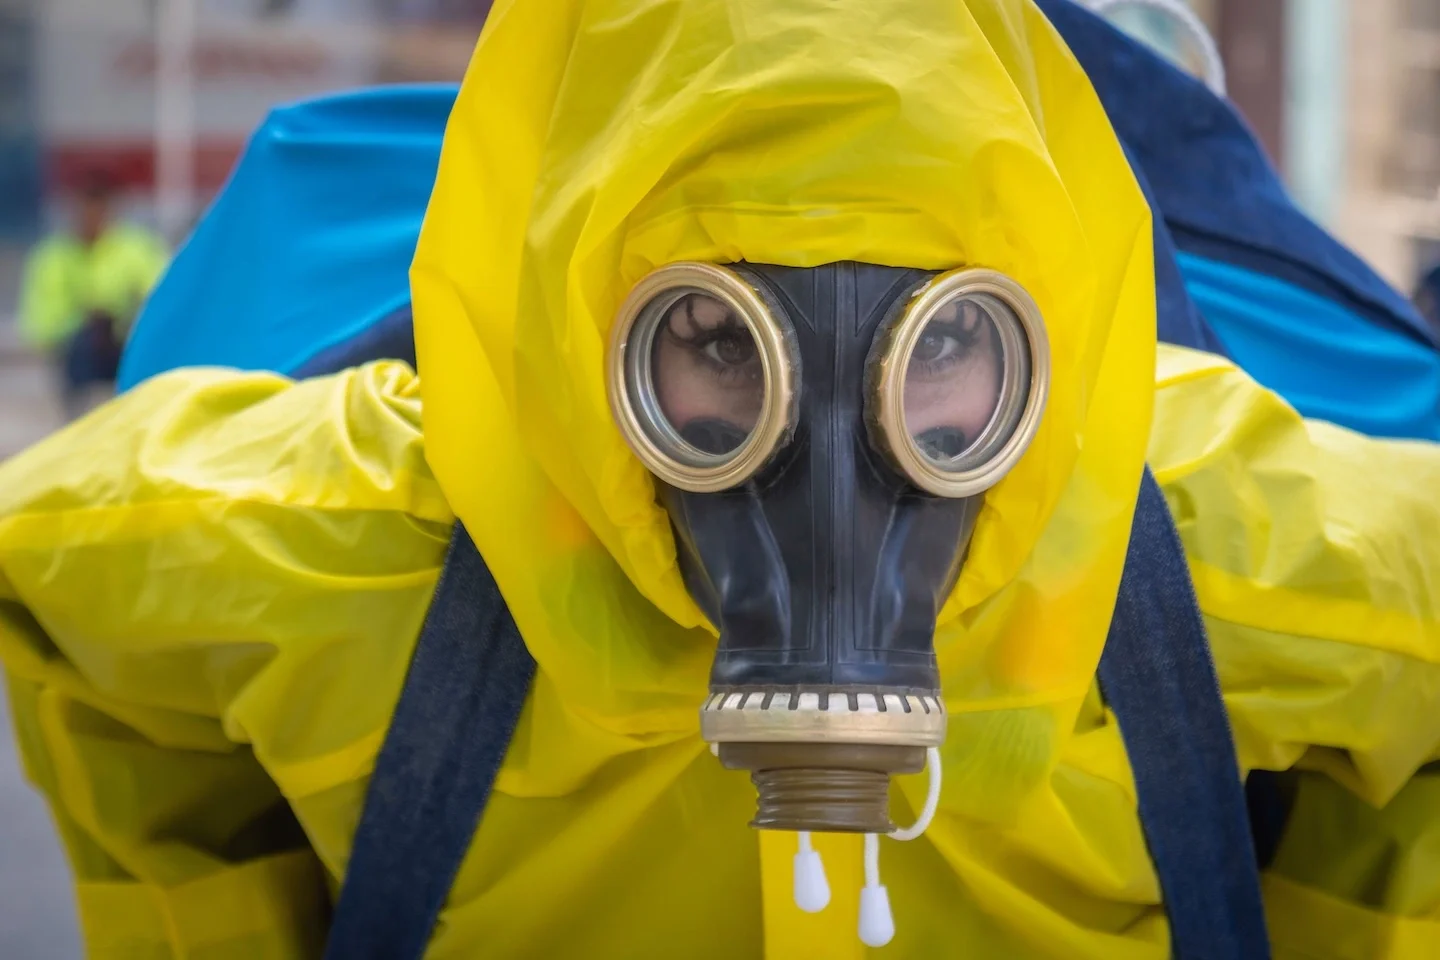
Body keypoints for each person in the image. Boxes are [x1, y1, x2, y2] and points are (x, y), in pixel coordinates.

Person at [0, 2, 1438, 958]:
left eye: (940, 346)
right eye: (713, 341)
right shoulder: (370, 529)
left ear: (1039, 332)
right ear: (581, 332)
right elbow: (66, 591)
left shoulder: (1187, 529)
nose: (830, 482)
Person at [15, 169, 169, 419]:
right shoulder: (53, 255)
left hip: (126, 346)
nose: (92, 218)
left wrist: (122, 319)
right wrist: (81, 321)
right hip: (78, 353)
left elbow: (161, 301)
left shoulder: (137, 248)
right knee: (84, 352)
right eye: (86, 210)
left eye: (98, 210)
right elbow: (41, 321)